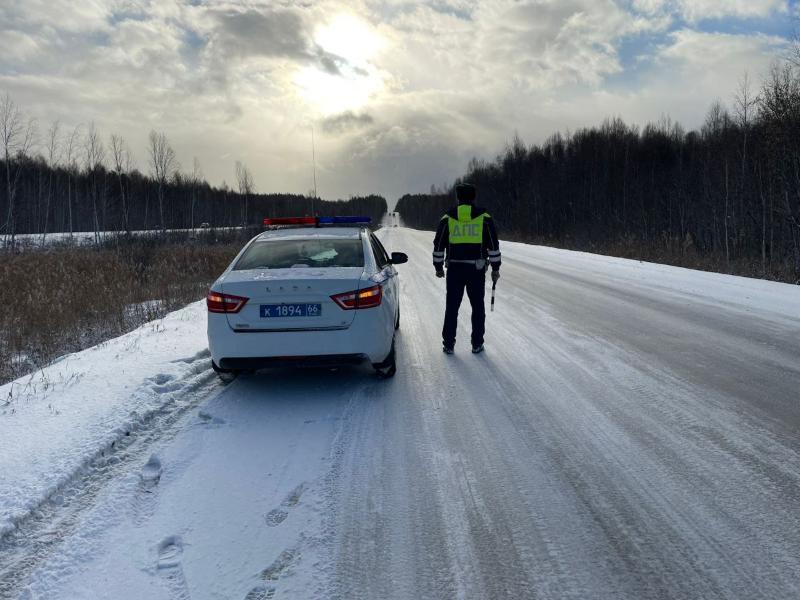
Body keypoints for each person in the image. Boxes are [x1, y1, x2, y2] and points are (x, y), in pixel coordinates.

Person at [433, 183, 501, 354]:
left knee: (452, 307)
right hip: (476, 270)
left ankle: (449, 344)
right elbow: (493, 245)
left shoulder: (447, 218)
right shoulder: (484, 218)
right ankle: (477, 344)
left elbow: (439, 245)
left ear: (458, 197)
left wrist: (438, 266)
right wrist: (495, 267)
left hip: (455, 269)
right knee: (478, 307)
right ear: (473, 197)